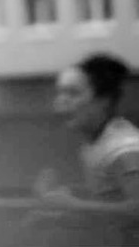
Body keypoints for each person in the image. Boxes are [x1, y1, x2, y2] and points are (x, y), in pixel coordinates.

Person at [29, 53, 139, 244]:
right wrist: (57, 218)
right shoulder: (95, 144)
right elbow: (112, 216)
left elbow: (136, 211)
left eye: (73, 93)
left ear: (103, 100)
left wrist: (73, 204)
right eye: (60, 92)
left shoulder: (124, 148)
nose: (61, 101)